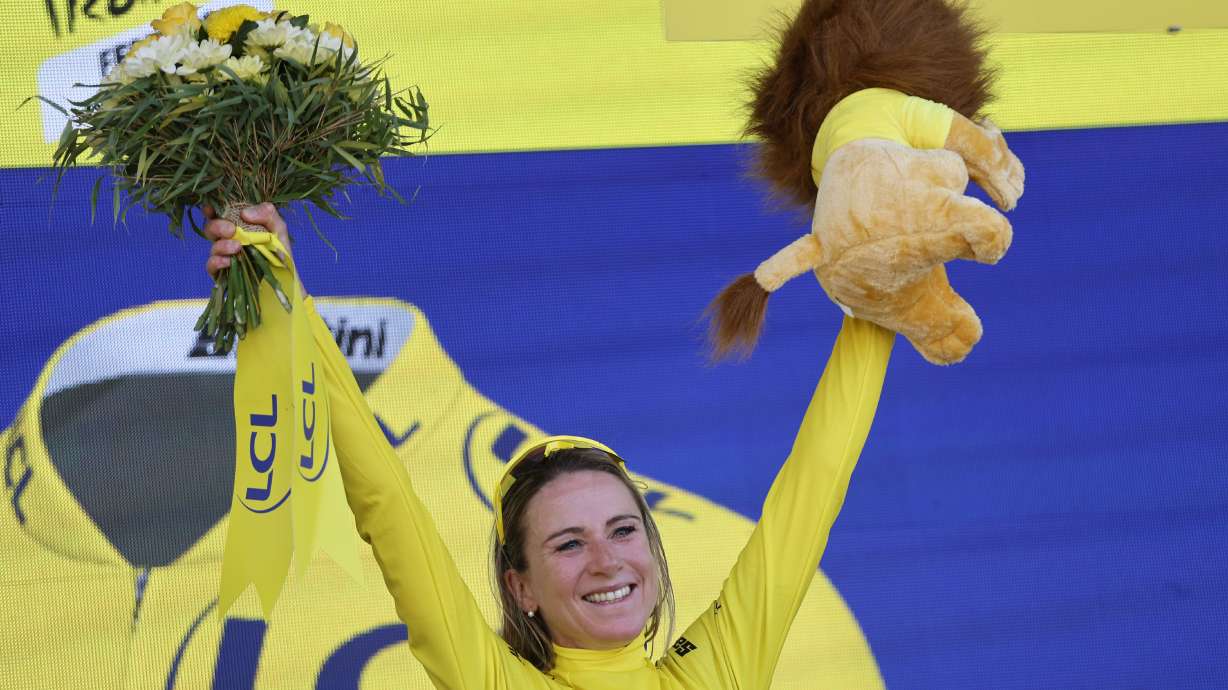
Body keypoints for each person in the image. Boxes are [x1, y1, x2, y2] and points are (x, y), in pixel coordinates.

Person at [205, 203, 895, 688]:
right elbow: (387, 504)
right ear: (520, 588)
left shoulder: (719, 670)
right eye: (567, 544)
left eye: (623, 530)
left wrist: (885, 291)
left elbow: (816, 483)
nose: (606, 561)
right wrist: (279, 294)